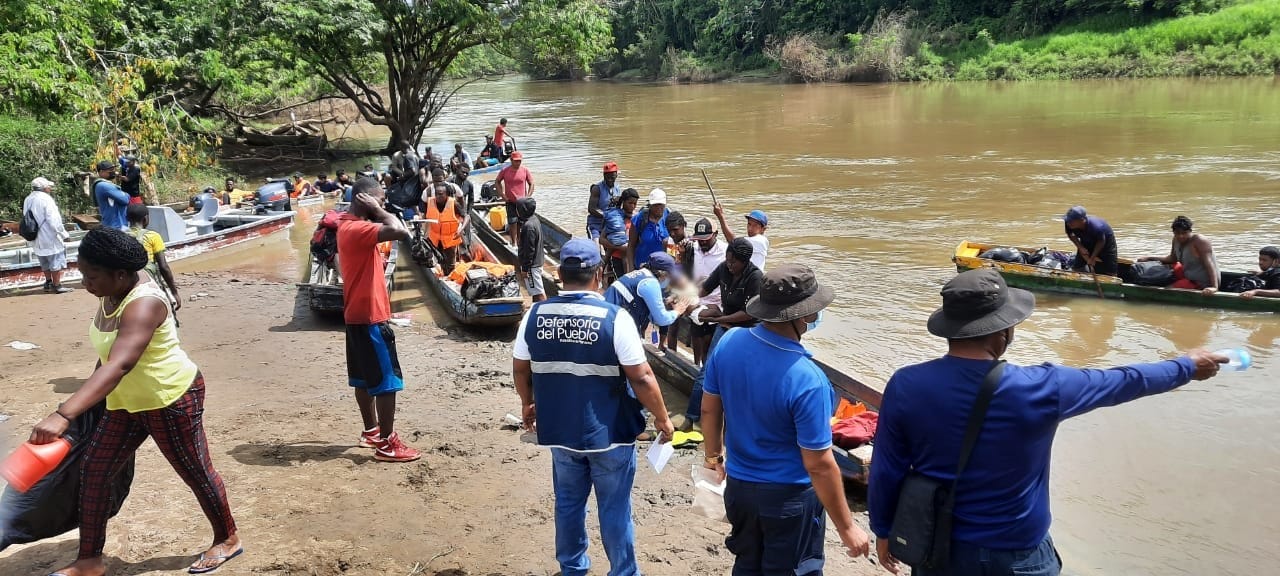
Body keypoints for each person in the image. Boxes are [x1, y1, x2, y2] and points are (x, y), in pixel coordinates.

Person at [867, 267, 1226, 575]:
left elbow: (887, 469)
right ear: (1004, 331)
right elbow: (1125, 380)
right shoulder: (1042, 387)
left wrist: (883, 530)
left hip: (936, 548)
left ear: (949, 328)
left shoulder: (906, 384)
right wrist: (1187, 366)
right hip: (1018, 555)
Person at [28, 227, 243, 576]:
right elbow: (108, 357)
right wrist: (92, 402)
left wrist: (63, 413)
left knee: (195, 472)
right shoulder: (112, 288)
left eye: (90, 276)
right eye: (82, 273)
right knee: (95, 472)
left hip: (169, 399)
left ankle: (228, 538)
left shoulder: (144, 303)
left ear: (121, 274)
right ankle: (89, 561)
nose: (85, 283)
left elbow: (121, 362)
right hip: (125, 402)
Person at [512, 238, 674, 576]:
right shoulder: (614, 318)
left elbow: (521, 368)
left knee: (569, 504)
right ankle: (623, 572)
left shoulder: (535, 315)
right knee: (614, 508)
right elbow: (642, 378)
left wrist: (527, 403)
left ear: (559, 273)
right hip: (610, 433)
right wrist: (662, 419)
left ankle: (573, 569)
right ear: (598, 274)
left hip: (559, 431)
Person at [701, 263, 871, 573]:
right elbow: (819, 464)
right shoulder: (809, 380)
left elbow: (710, 409)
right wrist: (847, 528)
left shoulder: (728, 344)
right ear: (803, 315)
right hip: (788, 499)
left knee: (747, 564)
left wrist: (713, 458)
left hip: (739, 488)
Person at [338, 177, 421, 462]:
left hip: (356, 314)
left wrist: (377, 208)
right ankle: (387, 443)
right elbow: (399, 229)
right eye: (380, 200)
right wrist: (380, 210)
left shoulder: (347, 226)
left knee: (363, 378)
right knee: (387, 381)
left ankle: (371, 430)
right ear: (366, 201)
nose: (383, 205)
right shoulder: (358, 228)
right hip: (371, 317)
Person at [683, 238, 762, 433]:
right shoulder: (723, 268)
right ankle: (691, 418)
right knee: (708, 370)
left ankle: (735, 425)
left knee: (742, 377)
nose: (730, 264)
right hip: (724, 325)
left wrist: (720, 319)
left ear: (745, 262)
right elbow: (704, 288)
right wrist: (687, 298)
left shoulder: (755, 278)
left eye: (734, 262)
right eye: (728, 259)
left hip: (748, 331)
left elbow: (750, 312)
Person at [604, 252, 689, 338]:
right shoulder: (651, 283)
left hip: (606, 318)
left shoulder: (642, 274)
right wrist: (677, 311)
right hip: (612, 325)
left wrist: (664, 302)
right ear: (663, 274)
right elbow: (661, 319)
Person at [1137, 215, 1220, 295]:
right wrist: (1149, 258)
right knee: (1170, 266)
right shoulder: (1176, 240)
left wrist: (1214, 287)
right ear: (1174, 232)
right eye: (1177, 233)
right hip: (1188, 274)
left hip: (1200, 282)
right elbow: (1172, 259)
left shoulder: (1199, 240)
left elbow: (1210, 264)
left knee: (1167, 291)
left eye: (1184, 233)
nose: (1181, 236)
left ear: (1190, 231)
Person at [22, 177, 74, 294]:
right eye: (49, 186)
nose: (50, 188)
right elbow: (54, 220)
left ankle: (48, 281)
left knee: (43, 260)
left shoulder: (28, 199)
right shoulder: (46, 199)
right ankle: (57, 285)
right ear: (44, 188)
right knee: (55, 259)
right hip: (49, 235)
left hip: (35, 235)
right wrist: (63, 234)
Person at [126, 204, 181, 310]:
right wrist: (174, 292)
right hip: (149, 281)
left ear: (127, 219)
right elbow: (163, 266)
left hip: (128, 283)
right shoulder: (153, 236)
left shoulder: (121, 236)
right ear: (145, 219)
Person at [688, 217, 726, 366]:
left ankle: (706, 367)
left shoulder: (725, 251)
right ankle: (696, 365)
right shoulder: (692, 248)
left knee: (709, 343)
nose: (702, 242)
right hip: (696, 300)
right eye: (699, 239)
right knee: (696, 337)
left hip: (716, 303)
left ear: (715, 235)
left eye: (706, 239)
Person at [425, 181, 469, 272]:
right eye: (436, 194)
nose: (438, 196)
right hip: (435, 239)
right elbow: (426, 217)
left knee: (450, 263)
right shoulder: (430, 202)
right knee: (441, 261)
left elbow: (467, 216)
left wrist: (461, 229)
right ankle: (444, 273)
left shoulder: (454, 204)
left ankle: (451, 276)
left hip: (450, 238)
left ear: (447, 195)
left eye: (441, 194)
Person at [1062, 205, 1118, 276]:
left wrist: (1092, 258)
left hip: (1105, 242)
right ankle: (1086, 277)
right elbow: (1070, 234)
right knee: (1077, 267)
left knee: (1111, 271)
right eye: (1067, 220)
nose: (1068, 223)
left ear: (1082, 220)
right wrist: (1080, 247)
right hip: (1086, 239)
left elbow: (1101, 241)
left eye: (1071, 221)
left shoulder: (1096, 227)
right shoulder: (1069, 223)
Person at [494, 150, 534, 245]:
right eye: (516, 161)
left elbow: (531, 183)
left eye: (519, 161)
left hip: (522, 202)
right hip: (510, 201)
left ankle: (520, 241)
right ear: (511, 160)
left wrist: (528, 197)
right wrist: (502, 195)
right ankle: (513, 242)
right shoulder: (505, 171)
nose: (518, 163)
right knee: (512, 222)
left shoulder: (525, 170)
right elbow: (497, 181)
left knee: (521, 222)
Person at [626, 188, 670, 272]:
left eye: (661, 205)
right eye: (655, 205)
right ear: (650, 205)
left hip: (663, 269)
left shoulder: (669, 216)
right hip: (642, 268)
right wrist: (630, 269)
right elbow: (631, 245)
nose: (659, 208)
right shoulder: (640, 219)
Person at [714, 202, 769, 269]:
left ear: (763, 229)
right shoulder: (750, 241)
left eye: (755, 225)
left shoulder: (761, 241)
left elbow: (733, 241)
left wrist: (720, 216)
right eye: (749, 224)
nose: (750, 228)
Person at [602, 188, 640, 282]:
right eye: (630, 203)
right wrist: (617, 246)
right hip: (617, 257)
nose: (633, 206)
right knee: (624, 284)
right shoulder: (615, 217)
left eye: (635, 203)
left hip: (634, 258)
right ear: (623, 202)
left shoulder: (638, 217)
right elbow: (601, 239)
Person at [515, 198, 546, 303]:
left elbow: (529, 250)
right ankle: (535, 309)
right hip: (537, 261)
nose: (516, 210)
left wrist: (525, 268)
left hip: (532, 265)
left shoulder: (529, 226)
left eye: (518, 208)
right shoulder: (534, 219)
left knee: (538, 292)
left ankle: (544, 312)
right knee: (535, 290)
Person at [586, 162, 620, 239]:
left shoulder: (617, 188)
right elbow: (591, 209)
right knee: (596, 245)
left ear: (616, 175)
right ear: (604, 175)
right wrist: (606, 215)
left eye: (612, 177)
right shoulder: (597, 188)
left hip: (610, 224)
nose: (610, 180)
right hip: (595, 224)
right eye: (607, 177)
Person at [93, 160, 131, 231]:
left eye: (113, 169)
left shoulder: (108, 184)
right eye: (110, 170)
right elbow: (125, 199)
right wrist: (126, 194)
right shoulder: (103, 185)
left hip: (119, 224)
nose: (113, 172)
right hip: (114, 225)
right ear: (101, 172)